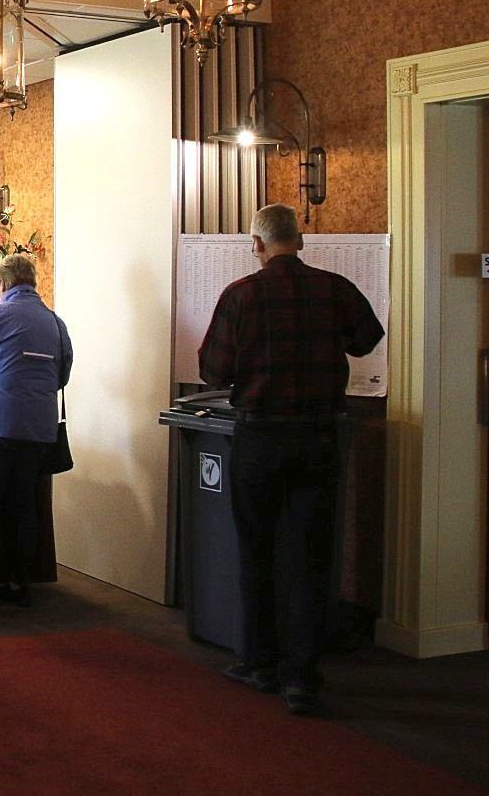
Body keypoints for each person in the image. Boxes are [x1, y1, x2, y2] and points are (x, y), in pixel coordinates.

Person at [198, 203, 384, 717]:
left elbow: (213, 371)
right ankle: (303, 678)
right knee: (310, 556)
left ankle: (259, 664)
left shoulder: (240, 295)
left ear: (256, 244)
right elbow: (367, 339)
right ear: (299, 241)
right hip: (319, 437)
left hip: (259, 438)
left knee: (256, 551)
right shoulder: (334, 288)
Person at [0, 254, 72, 613]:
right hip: (38, 429)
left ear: (2, 284)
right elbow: (63, 375)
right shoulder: (55, 323)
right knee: (23, 505)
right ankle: (19, 584)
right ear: (32, 282)